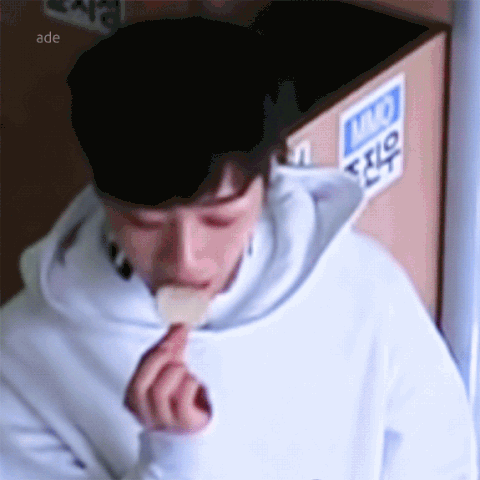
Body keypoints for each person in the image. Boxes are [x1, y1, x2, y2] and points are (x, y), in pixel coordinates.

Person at [1, 16, 477, 480]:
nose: (186, 259)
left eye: (220, 218)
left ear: (269, 179)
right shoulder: (25, 355)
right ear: (102, 197)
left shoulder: (363, 288)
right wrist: (175, 460)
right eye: (145, 223)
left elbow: (442, 461)